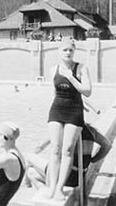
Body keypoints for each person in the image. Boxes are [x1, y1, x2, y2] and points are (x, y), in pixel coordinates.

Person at [45, 38, 92, 200]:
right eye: (64, 50)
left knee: (67, 150)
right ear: (59, 51)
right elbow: (55, 92)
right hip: (57, 109)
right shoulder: (53, 70)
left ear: (74, 52)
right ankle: (51, 186)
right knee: (55, 149)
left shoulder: (81, 68)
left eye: (70, 50)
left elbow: (87, 91)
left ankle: (59, 188)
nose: (68, 53)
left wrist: (71, 77)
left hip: (74, 111)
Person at [26, 123, 111, 191]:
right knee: (32, 172)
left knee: (29, 160)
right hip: (79, 176)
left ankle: (30, 185)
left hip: (65, 176)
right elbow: (107, 145)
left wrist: (34, 152)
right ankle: (40, 190)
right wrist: (93, 159)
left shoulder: (64, 129)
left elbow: (40, 147)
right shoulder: (90, 130)